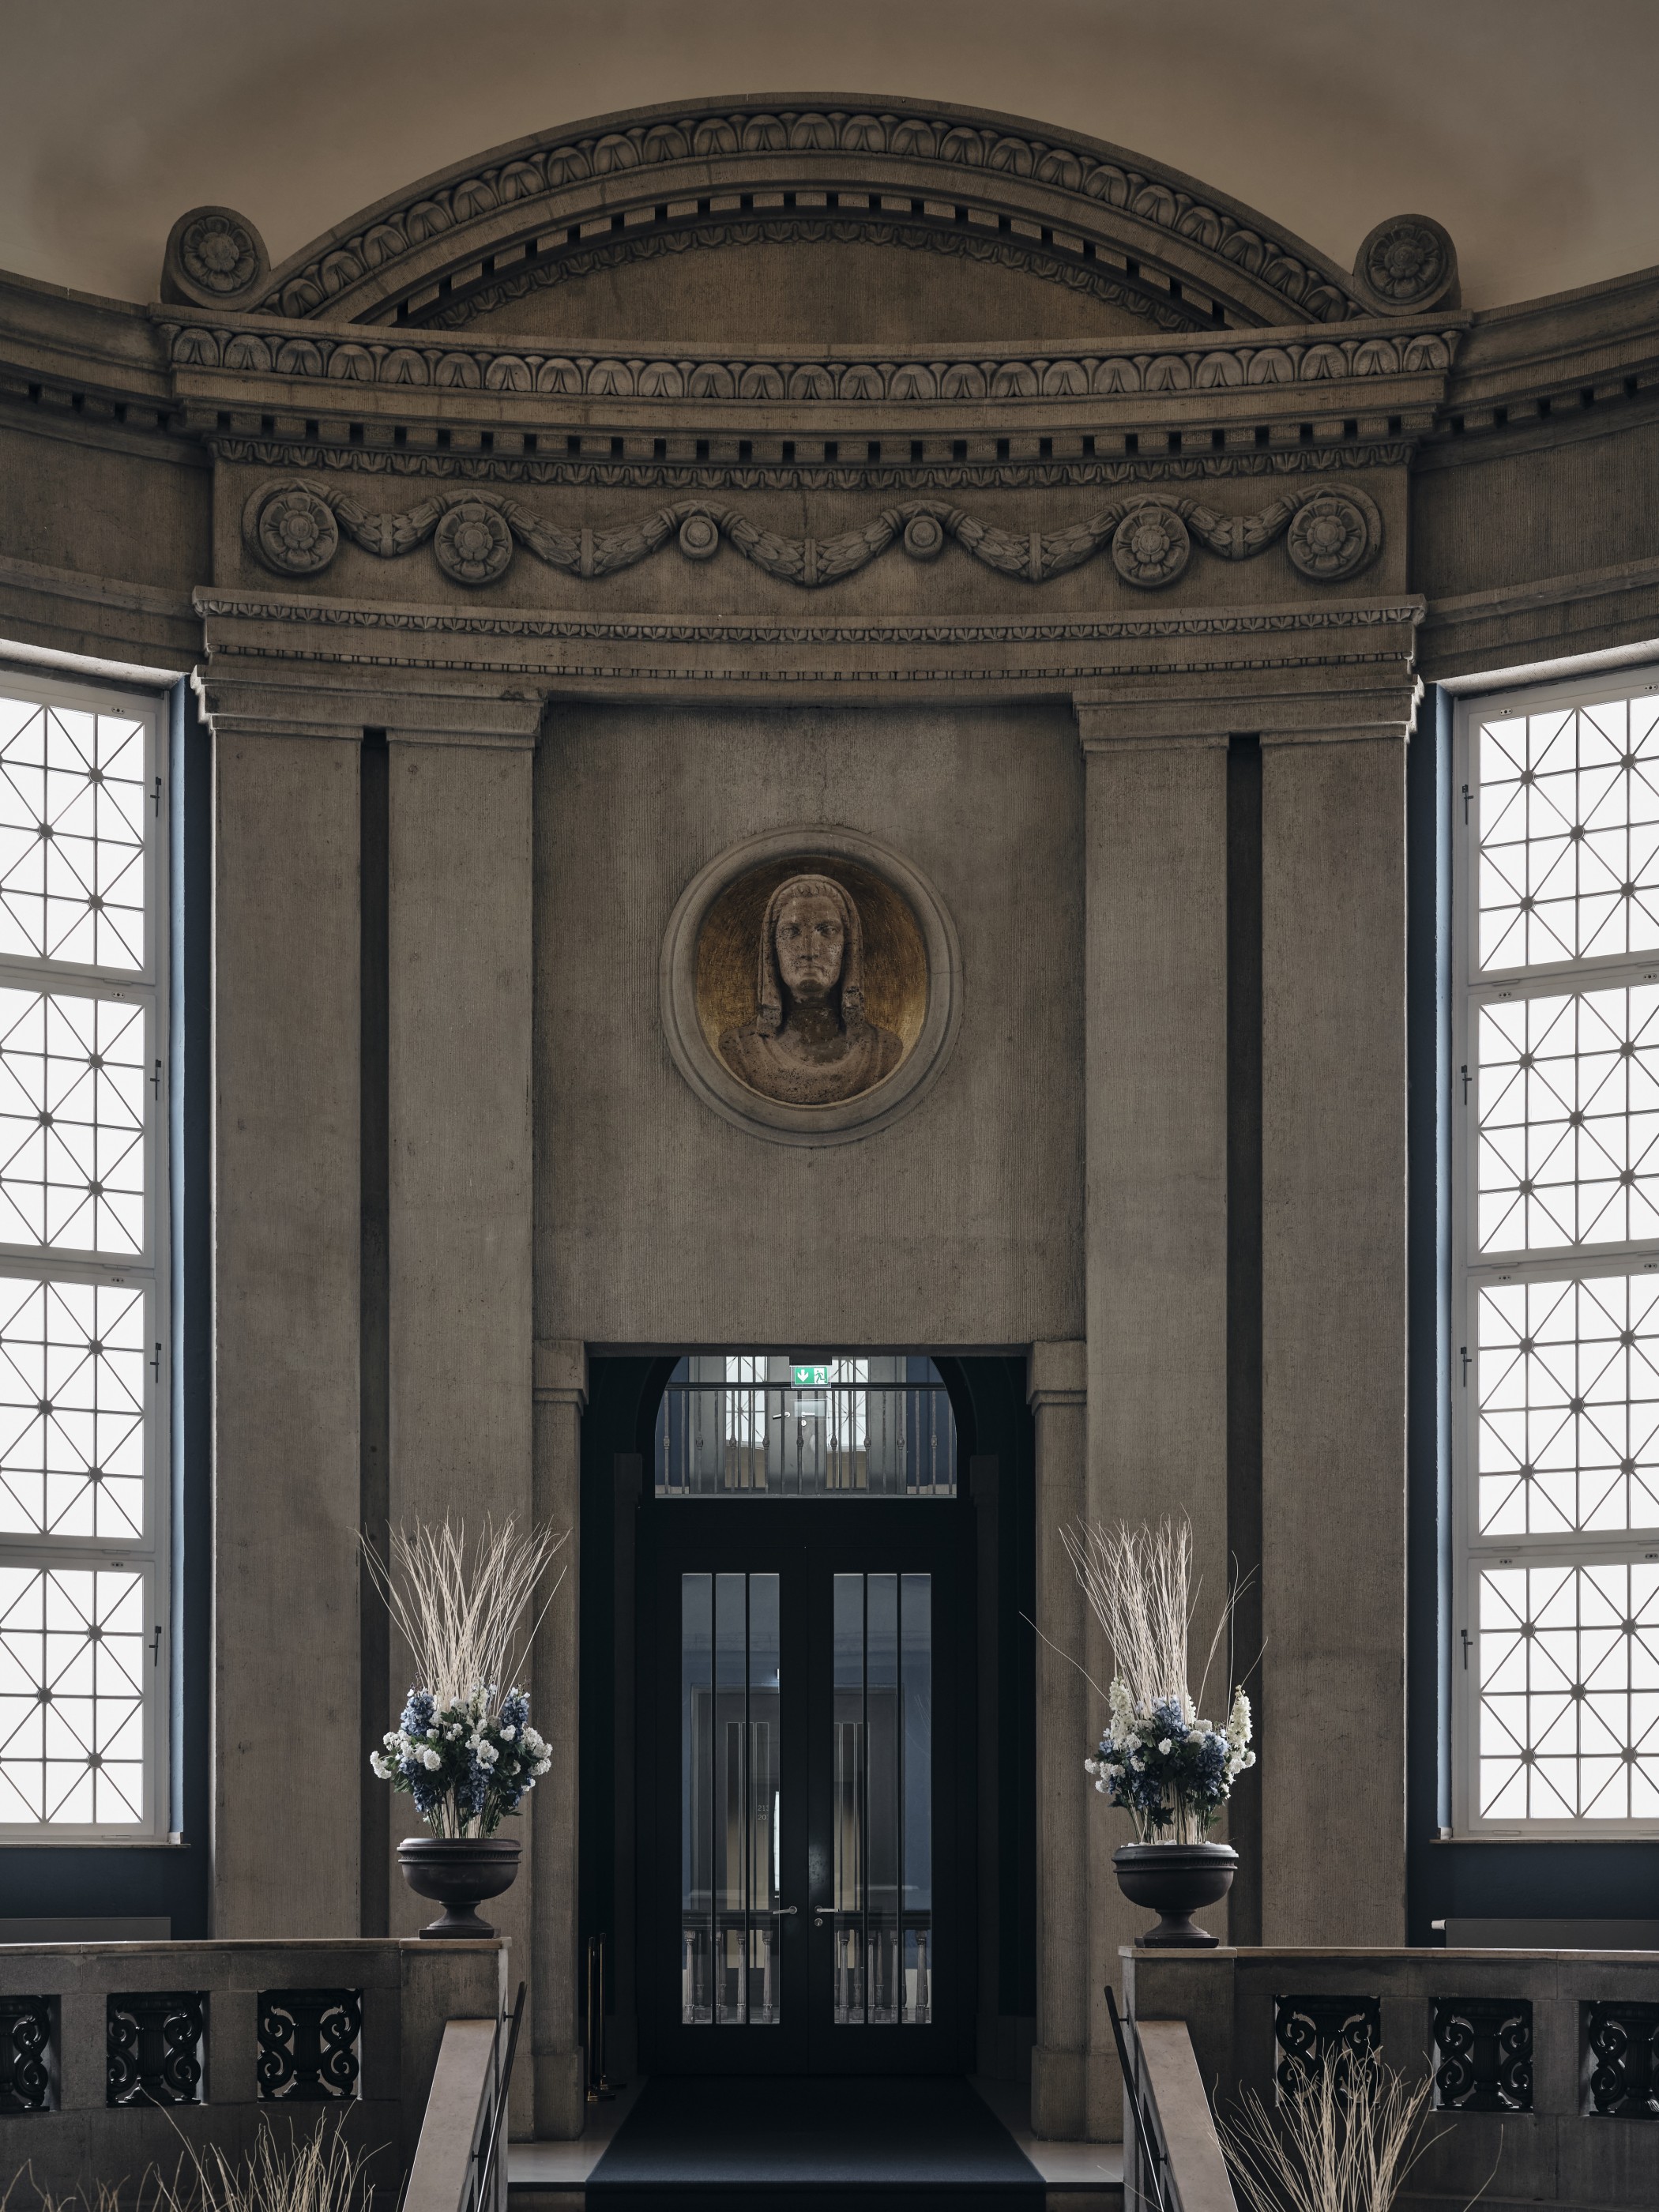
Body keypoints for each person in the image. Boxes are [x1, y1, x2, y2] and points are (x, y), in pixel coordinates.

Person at [719, 871, 904, 1105]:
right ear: (772, 948)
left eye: (827, 931)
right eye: (791, 932)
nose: (809, 949)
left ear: (848, 948)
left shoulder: (882, 1052)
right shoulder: (739, 1051)